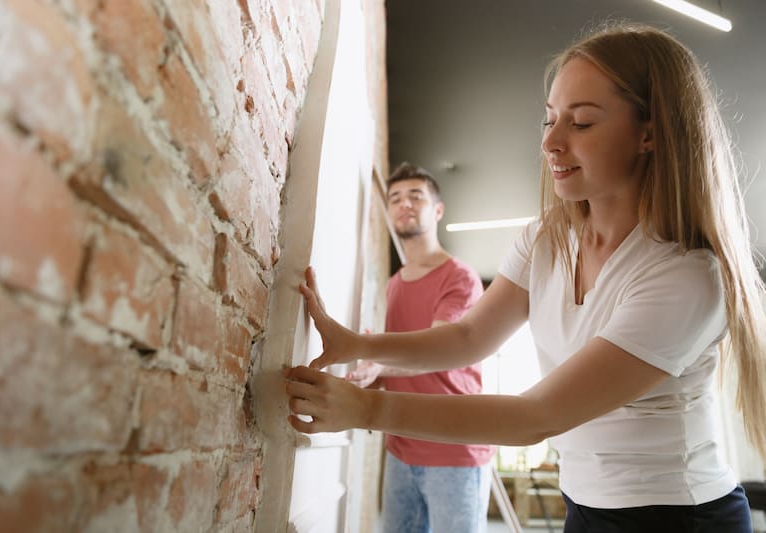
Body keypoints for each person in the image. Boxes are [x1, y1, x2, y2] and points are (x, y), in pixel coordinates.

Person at [285, 23, 766, 533]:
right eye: (550, 120)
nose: (552, 142)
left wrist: (366, 408)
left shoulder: (686, 276)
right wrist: (359, 344)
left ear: (649, 133)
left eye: (580, 123)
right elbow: (470, 337)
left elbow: (539, 416)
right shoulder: (545, 239)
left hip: (678, 518)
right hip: (583, 504)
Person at [349, 162, 494, 533]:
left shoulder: (459, 277)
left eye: (416, 196)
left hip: (453, 450)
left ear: (438, 210)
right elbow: (398, 365)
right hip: (400, 448)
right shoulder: (394, 284)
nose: (404, 204)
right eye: (395, 198)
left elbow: (437, 351)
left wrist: (378, 365)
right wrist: (370, 377)